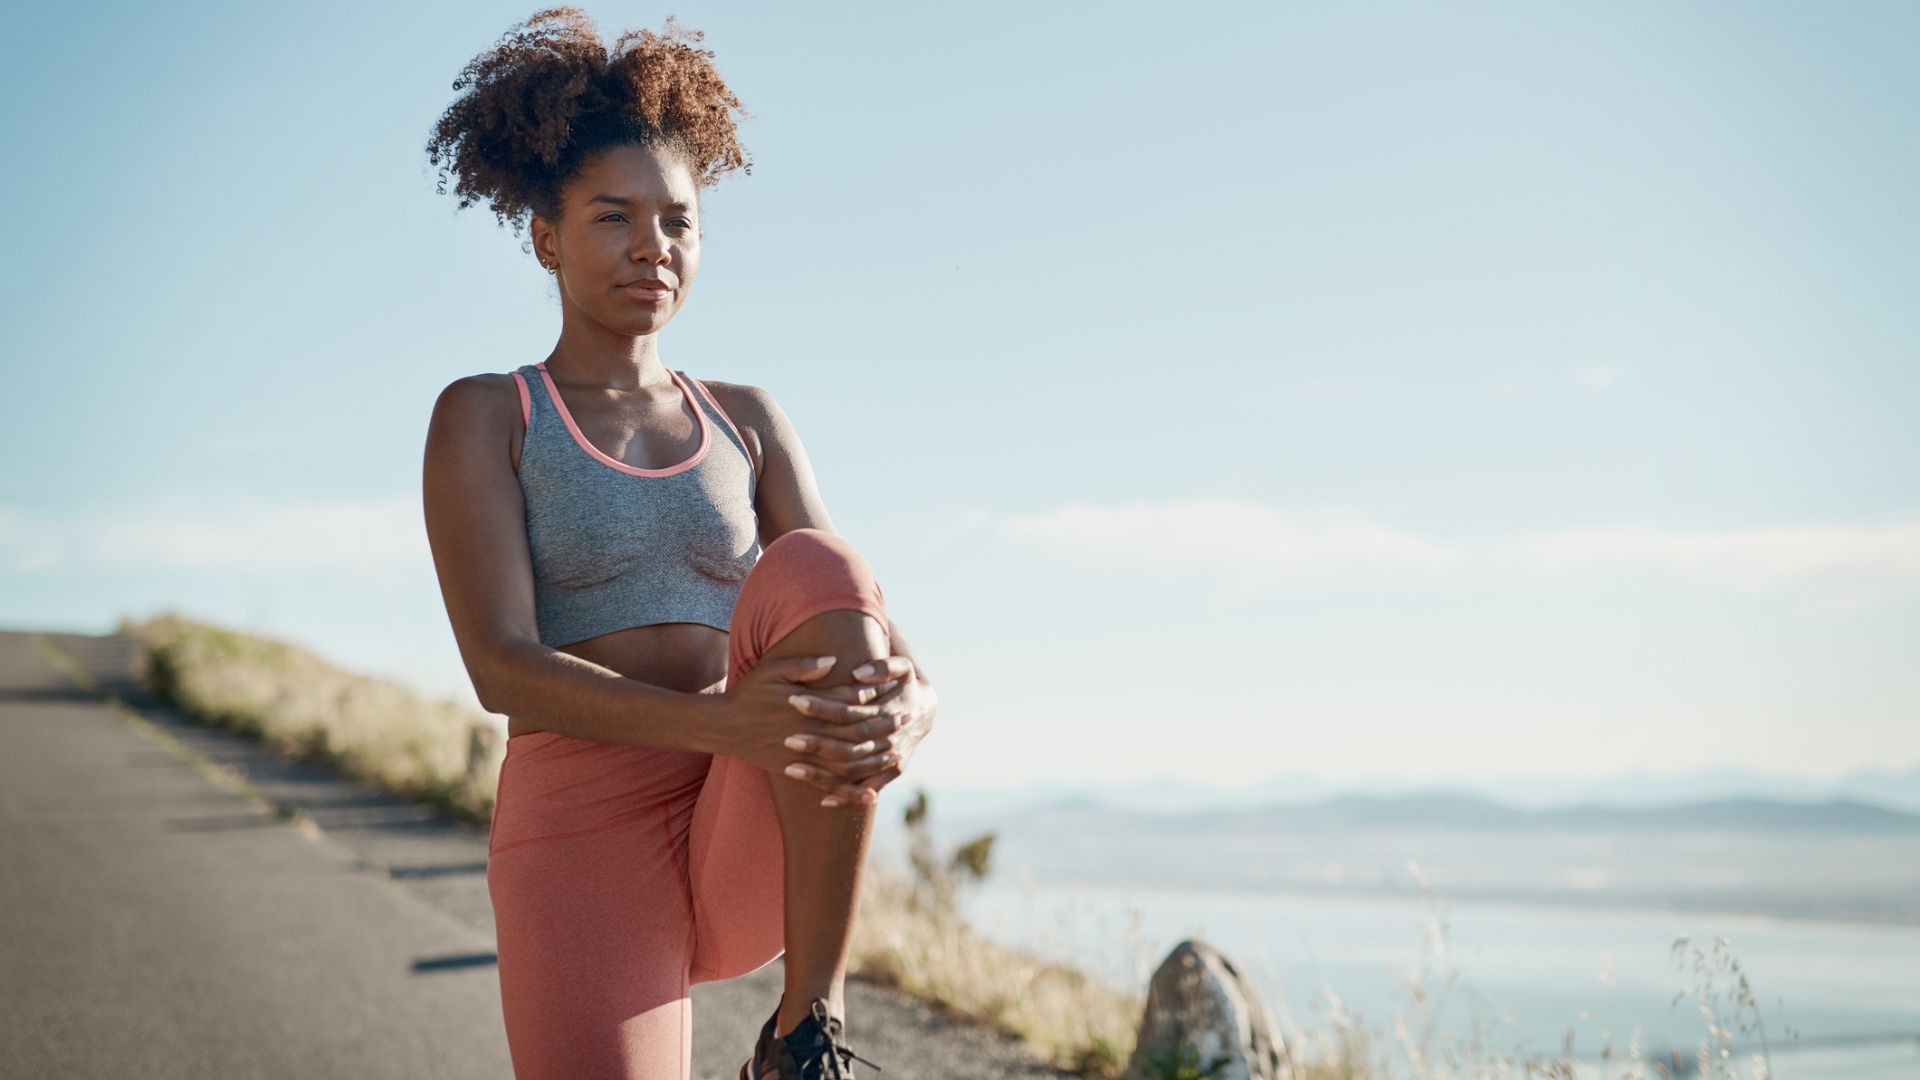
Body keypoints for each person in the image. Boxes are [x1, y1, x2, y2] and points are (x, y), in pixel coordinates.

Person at [419, 10, 938, 1078]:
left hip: (742, 801)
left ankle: (806, 1033)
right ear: (547, 238)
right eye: (614, 217)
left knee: (820, 570)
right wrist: (728, 725)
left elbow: (852, 619)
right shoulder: (491, 415)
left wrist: (914, 704)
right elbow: (498, 664)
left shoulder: (747, 416)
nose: (652, 245)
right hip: (581, 824)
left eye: (678, 222)